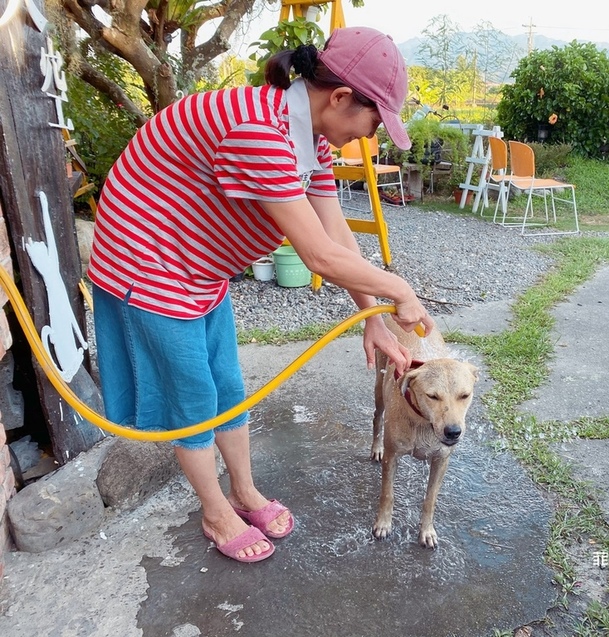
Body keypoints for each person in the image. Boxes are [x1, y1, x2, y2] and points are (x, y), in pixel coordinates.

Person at [87, 26, 435, 563]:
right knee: (193, 397)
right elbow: (317, 256)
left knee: (228, 384)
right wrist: (398, 288)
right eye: (374, 121)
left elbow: (336, 235)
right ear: (340, 98)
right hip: (147, 260)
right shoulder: (259, 132)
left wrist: (373, 316)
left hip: (198, 264)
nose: (371, 136)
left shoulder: (312, 140)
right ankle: (214, 512)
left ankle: (244, 492)